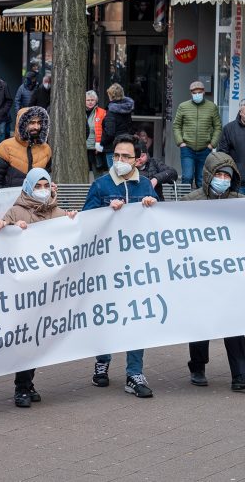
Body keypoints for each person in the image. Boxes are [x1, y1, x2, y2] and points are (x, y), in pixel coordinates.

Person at [181, 152, 245, 391]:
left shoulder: (240, 201)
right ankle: (197, 367)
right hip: (200, 272)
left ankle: (241, 375)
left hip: (228, 275)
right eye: (218, 174)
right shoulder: (190, 202)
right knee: (200, 322)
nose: (222, 179)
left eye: (227, 176)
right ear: (208, 175)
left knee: (233, 321)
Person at [0, 168, 76, 407]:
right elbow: (0, 235)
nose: (42, 190)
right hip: (24, 287)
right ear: (29, 187)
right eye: (37, 186)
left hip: (48, 288)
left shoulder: (58, 212)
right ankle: (21, 386)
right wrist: (5, 226)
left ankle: (28, 383)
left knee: (38, 337)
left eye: (45, 185)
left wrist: (73, 223)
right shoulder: (16, 210)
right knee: (25, 339)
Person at [83, 135, 157, 398]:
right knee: (107, 314)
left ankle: (134, 373)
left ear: (137, 159)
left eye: (126, 156)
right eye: (116, 156)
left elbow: (158, 223)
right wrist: (105, 213)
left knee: (137, 315)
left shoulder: (146, 185)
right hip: (107, 267)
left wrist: (152, 206)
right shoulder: (102, 185)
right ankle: (102, 361)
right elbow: (86, 221)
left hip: (136, 267)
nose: (120, 161)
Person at [173, 80, 221, 187]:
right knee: (187, 177)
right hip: (187, 149)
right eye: (194, 93)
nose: (197, 95)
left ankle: (200, 203)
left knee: (201, 179)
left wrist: (212, 144)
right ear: (191, 93)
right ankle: (185, 202)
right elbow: (176, 125)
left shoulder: (212, 107)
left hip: (205, 149)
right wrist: (180, 142)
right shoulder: (183, 106)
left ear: (204, 92)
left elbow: (218, 127)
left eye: (199, 92)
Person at [0, 106, 51, 189]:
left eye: (39, 123)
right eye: (32, 123)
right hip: (10, 199)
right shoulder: (5, 147)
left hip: (36, 199)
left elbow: (47, 178)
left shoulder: (46, 149)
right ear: (22, 124)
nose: (36, 127)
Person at [100, 83, 135, 168]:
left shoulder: (111, 113)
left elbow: (110, 133)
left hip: (113, 148)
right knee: (124, 173)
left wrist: (102, 142)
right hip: (126, 145)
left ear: (110, 95)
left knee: (114, 174)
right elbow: (130, 128)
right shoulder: (127, 110)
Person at [84, 90, 106, 178]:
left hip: (95, 148)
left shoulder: (102, 112)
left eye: (92, 100)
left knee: (98, 173)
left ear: (96, 101)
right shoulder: (78, 112)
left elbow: (105, 130)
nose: (90, 102)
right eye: (88, 100)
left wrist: (100, 145)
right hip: (82, 148)